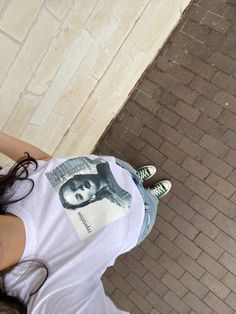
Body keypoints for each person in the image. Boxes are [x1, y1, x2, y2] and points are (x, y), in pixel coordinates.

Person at [0, 132, 171, 314]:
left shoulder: (5, 192)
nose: (80, 189)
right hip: (143, 214)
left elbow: (45, 167)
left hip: (116, 168)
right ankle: (152, 194)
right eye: (79, 196)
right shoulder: (42, 292)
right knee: (150, 201)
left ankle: (138, 177)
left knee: (132, 176)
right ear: (89, 200)